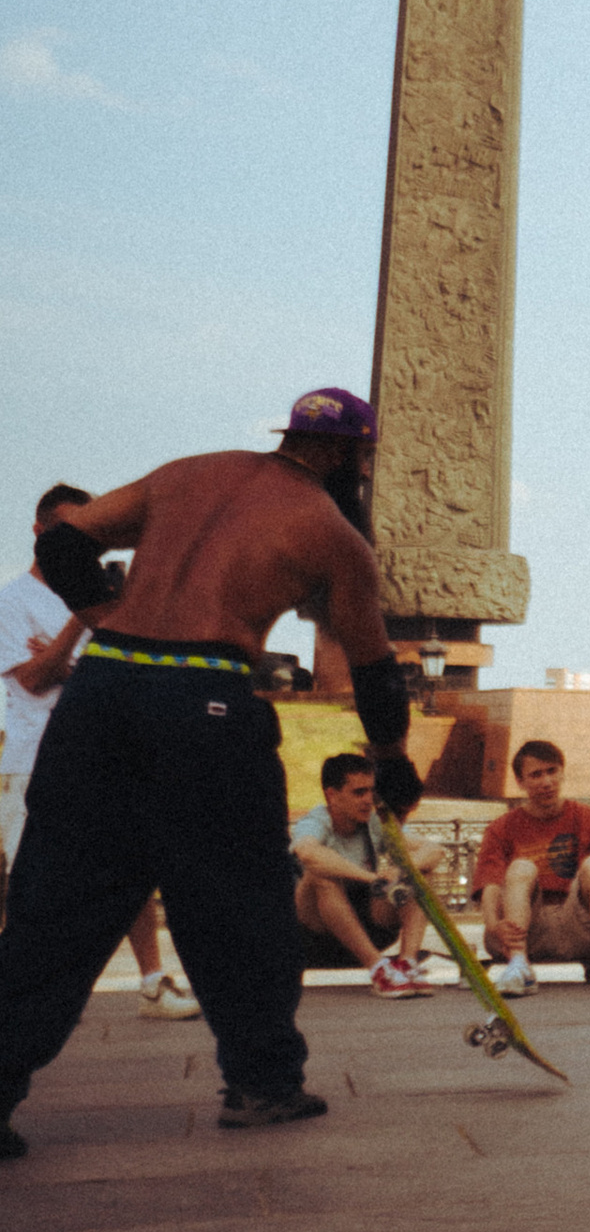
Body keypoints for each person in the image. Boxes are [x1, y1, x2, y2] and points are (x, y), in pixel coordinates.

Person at [0, 386, 413, 1149]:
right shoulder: (331, 533)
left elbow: (63, 543)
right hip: (205, 700)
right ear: (350, 457)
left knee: (53, 903)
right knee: (239, 906)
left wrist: (104, 621)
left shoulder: (184, 473)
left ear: (287, 435)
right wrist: (391, 762)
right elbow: (376, 673)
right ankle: (261, 1085)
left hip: (103, 689)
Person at [2, 484, 201, 1021]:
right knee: (35, 882)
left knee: (130, 865)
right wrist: (75, 620)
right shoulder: (11, 602)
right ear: (42, 535)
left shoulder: (117, 605)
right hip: (38, 754)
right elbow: (35, 681)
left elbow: (132, 674)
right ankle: (20, 996)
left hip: (106, 747)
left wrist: (73, 663)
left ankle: (153, 979)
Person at [471, 740, 590, 995]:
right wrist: (494, 927)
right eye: (536, 775)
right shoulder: (501, 828)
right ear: (520, 782)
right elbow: (490, 884)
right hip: (524, 930)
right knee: (520, 868)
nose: (546, 782)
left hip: (579, 927)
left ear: (562, 772)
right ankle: (519, 967)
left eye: (552, 771)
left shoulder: (589, 818)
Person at [292, 750, 429, 991]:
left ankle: (407, 964)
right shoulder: (314, 822)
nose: (368, 800)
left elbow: (432, 849)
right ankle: (379, 969)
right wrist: (372, 878)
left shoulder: (374, 823)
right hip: (316, 936)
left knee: (420, 874)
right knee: (320, 873)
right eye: (358, 792)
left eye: (370, 791)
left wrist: (400, 872)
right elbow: (307, 852)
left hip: (369, 925)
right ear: (332, 796)